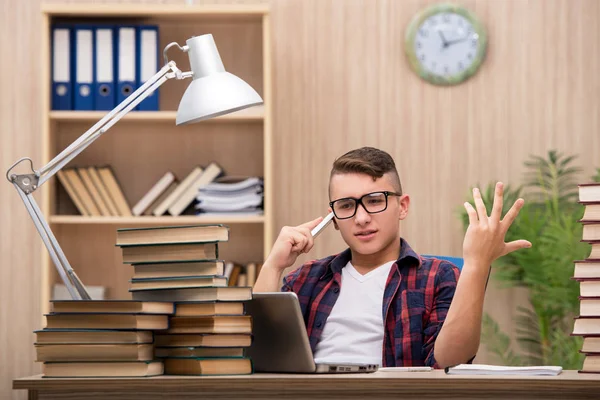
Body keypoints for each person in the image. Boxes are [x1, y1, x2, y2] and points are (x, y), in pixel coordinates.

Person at [253, 147, 531, 368]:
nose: (361, 218)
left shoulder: (438, 277)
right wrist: (273, 266)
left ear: (403, 206)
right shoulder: (307, 279)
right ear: (333, 219)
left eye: (374, 200)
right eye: (346, 205)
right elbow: (256, 352)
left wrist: (477, 264)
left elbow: (450, 361)